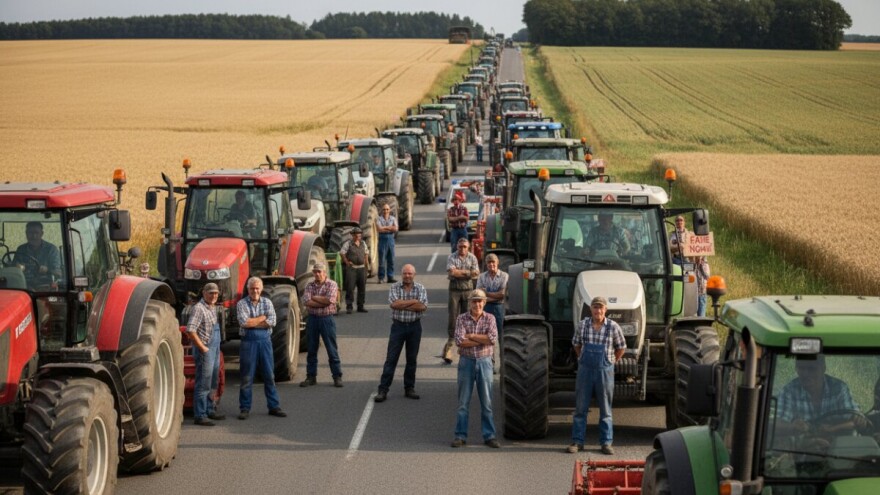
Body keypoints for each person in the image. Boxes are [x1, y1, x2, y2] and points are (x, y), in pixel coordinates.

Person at [568, 296, 626, 455]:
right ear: (591, 309)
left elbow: (621, 347)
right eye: (595, 307)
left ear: (605, 310)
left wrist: (611, 360)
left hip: (604, 371)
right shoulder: (583, 325)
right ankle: (577, 442)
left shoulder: (613, 327)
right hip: (585, 371)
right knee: (580, 408)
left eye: (601, 308)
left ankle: (606, 443)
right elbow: (576, 343)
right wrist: (581, 358)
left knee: (606, 410)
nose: (598, 310)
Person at [775, 355, 866, 449]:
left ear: (823, 368)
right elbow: (776, 425)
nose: (805, 374)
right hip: (802, 451)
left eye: (811, 369)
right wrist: (793, 427)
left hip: (838, 449)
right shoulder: (789, 391)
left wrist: (831, 429)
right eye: (801, 368)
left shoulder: (838, 388)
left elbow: (856, 420)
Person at [451, 289, 500, 449]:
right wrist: (481, 340)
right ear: (469, 303)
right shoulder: (461, 318)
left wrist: (471, 336)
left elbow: (492, 339)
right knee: (463, 402)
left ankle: (489, 435)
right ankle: (460, 436)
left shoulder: (490, 318)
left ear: (484, 302)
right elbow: (459, 341)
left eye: (480, 301)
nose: (477, 304)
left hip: (485, 362)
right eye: (474, 301)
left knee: (486, 402)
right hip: (467, 362)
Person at [374, 264, 428, 403]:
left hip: (415, 327)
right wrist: (413, 302)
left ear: (414, 274)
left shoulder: (420, 288)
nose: (407, 276)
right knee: (391, 359)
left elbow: (422, 307)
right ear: (401, 274)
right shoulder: (394, 287)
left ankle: (409, 388)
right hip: (398, 327)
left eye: (410, 273)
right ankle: (383, 389)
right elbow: (394, 305)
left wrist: (403, 304)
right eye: (405, 273)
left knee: (411, 359)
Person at [236, 277, 286, 420]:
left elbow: (273, 321)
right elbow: (244, 322)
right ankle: (244, 408)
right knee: (247, 377)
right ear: (248, 289)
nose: (255, 291)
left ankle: (274, 406)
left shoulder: (268, 302)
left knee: (269, 375)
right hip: (248, 343)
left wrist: (253, 322)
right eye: (252, 288)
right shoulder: (241, 303)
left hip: (265, 342)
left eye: (257, 288)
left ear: (261, 289)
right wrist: (262, 318)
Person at [186, 283, 225, 426]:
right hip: (205, 349)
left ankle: (210, 409)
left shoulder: (212, 307)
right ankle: (200, 414)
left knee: (213, 381)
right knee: (204, 383)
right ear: (203, 293)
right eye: (211, 293)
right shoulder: (199, 309)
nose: (214, 295)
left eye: (215, 293)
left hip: (214, 348)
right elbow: (190, 330)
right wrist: (202, 348)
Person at [301, 263, 344, 388]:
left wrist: (314, 298)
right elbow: (306, 301)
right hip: (313, 319)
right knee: (311, 349)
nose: (317, 274)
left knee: (331, 349)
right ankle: (311, 376)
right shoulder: (309, 285)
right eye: (315, 272)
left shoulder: (332, 284)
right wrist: (320, 301)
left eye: (319, 271)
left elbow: (329, 301)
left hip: (327, 319)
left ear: (325, 272)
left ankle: (337, 376)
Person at [444, 237, 479, 364]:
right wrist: (467, 273)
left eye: (465, 246)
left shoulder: (472, 258)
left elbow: (476, 273)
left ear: (468, 247)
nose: (462, 249)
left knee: (467, 318)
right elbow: (452, 272)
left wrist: (460, 273)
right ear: (457, 247)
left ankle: (467, 347)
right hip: (454, 291)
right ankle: (449, 348)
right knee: (453, 318)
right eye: (460, 247)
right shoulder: (451, 257)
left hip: (468, 291)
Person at [13, 221, 62, 288]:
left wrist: (47, 270)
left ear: (41, 234)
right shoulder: (21, 249)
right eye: (30, 233)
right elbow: (13, 268)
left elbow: (58, 273)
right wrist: (17, 268)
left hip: (45, 286)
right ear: (26, 234)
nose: (34, 236)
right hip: (24, 285)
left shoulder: (51, 249)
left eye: (36, 233)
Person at [476, 253, 508, 336]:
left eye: (493, 262)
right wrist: (496, 296)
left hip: (499, 308)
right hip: (485, 308)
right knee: (484, 332)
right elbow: (479, 294)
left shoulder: (504, 276)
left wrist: (486, 294)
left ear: (497, 262)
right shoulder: (481, 276)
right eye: (489, 262)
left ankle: (500, 348)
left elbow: (502, 294)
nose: (491, 264)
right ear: (486, 264)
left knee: (500, 332)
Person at [340, 227, 369, 314]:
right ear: (352, 235)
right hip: (352, 269)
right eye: (356, 235)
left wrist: (366, 264)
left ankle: (360, 306)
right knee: (350, 288)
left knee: (362, 288)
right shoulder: (348, 244)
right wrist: (346, 262)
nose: (358, 237)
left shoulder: (363, 243)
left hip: (361, 268)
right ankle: (349, 307)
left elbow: (366, 253)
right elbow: (342, 253)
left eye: (359, 235)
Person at [376, 204, 398, 284]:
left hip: (391, 240)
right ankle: (381, 277)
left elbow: (395, 228)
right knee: (381, 260)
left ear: (389, 210)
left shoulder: (393, 218)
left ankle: (390, 277)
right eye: (384, 209)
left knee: (391, 259)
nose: (386, 211)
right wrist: (390, 227)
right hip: (382, 239)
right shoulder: (379, 219)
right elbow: (379, 229)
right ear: (382, 210)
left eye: (387, 209)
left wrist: (384, 228)